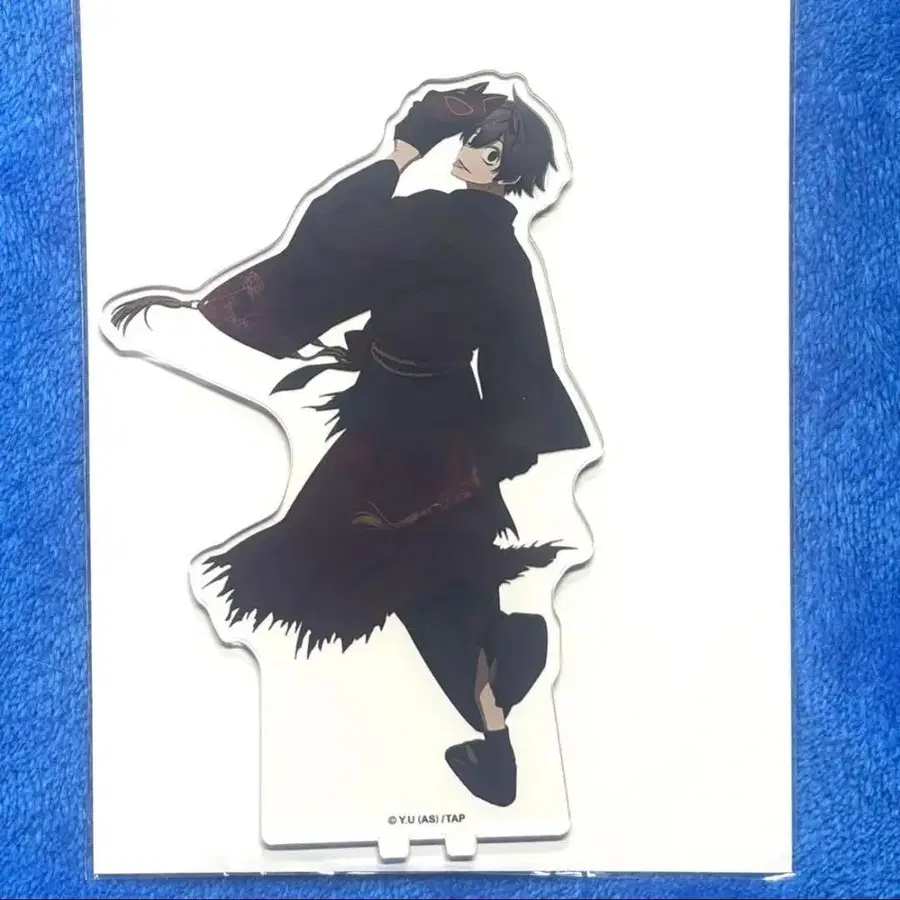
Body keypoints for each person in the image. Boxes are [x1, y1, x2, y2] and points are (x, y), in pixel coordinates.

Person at [111, 83, 591, 807]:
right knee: (438, 575)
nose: (473, 151)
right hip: (446, 425)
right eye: (475, 137)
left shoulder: (446, 223)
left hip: (402, 427)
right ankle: (499, 725)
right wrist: (495, 446)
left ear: (507, 168)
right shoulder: (501, 248)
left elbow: (335, 237)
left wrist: (401, 150)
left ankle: (502, 696)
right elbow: (516, 359)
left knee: (385, 565)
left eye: (491, 148)